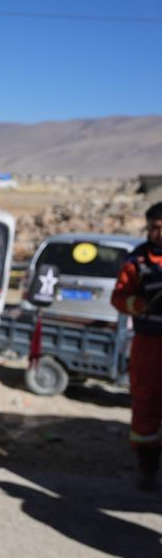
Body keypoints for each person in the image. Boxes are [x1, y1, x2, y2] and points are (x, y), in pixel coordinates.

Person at [111, 202, 162, 490]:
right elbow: (118, 297)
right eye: (154, 228)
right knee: (146, 404)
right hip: (149, 344)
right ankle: (147, 467)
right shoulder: (137, 261)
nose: (159, 234)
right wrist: (137, 304)